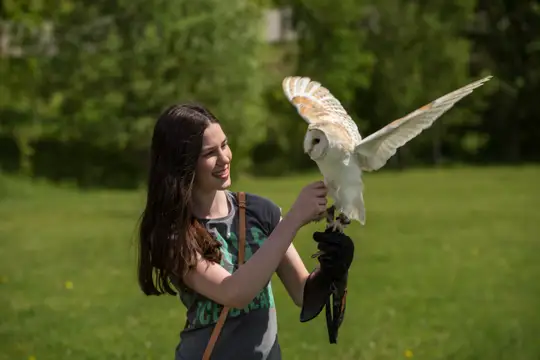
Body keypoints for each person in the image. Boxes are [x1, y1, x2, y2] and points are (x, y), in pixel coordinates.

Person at [137, 103, 355, 360]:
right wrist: (294, 219)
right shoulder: (174, 233)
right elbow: (234, 293)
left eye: (224, 145)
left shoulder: (260, 211)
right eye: (209, 153)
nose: (225, 158)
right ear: (183, 163)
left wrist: (331, 270)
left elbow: (303, 294)